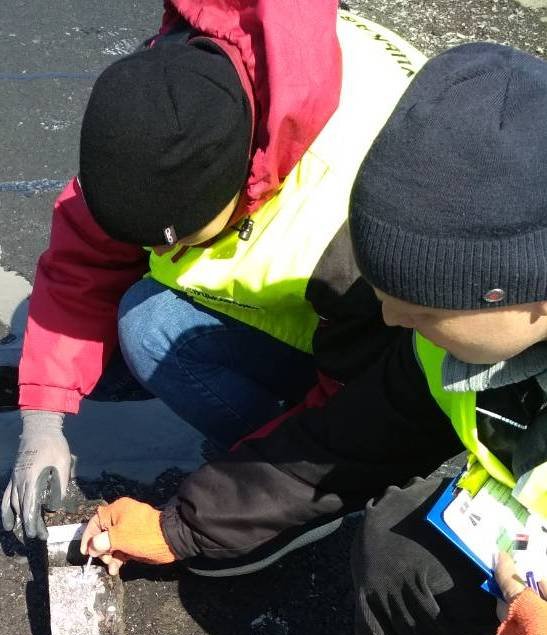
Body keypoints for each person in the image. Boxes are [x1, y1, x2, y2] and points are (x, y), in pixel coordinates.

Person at [78, 40, 547, 635]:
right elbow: (329, 445)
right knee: (398, 542)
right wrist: (179, 526)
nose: (391, 317)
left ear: (532, 297)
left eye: (421, 307)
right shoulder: (446, 348)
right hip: (520, 522)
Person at [1, 3, 424, 539]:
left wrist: (217, 512)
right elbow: (82, 262)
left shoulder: (353, 224)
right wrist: (42, 418)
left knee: (148, 327)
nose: (157, 253)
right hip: (323, 297)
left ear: (241, 183)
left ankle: (304, 499)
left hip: (387, 344)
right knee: (105, 348)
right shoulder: (158, 111)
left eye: (176, 238)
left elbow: (364, 402)